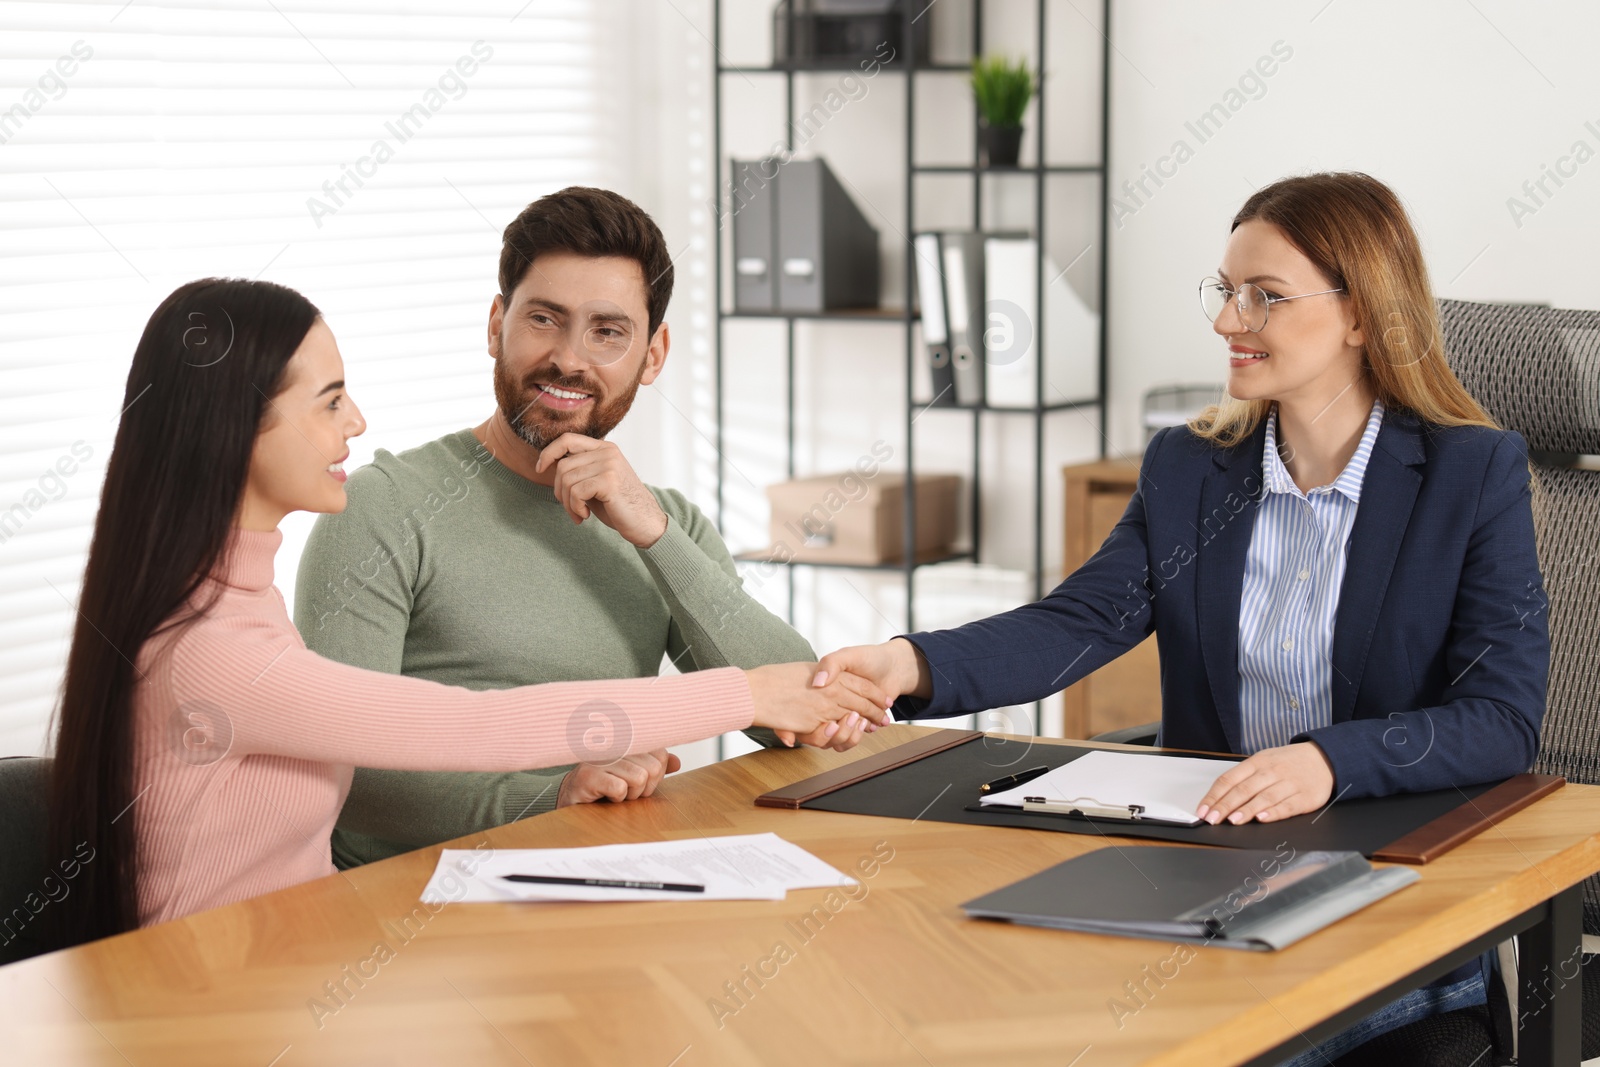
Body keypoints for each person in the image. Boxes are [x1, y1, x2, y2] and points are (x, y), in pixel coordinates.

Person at [815, 172, 1549, 1062]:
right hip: (1211, 879)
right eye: (1225, 290)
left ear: (1361, 315)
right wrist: (911, 664)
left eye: (1264, 296)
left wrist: (1327, 761)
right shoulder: (1191, 469)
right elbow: (1077, 620)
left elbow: (1500, 718)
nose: (1227, 320)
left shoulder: (1472, 474)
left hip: (1389, 881)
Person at [45, 278, 887, 946]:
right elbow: (480, 727)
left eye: (608, 330)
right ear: (236, 426)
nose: (359, 422)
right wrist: (749, 692)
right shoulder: (206, 647)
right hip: (211, 1013)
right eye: (330, 401)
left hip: (302, 965)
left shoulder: (233, 592)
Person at [293, 186, 868, 872]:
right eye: (544, 318)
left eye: (608, 331)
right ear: (495, 325)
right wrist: (550, 795)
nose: (570, 358)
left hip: (592, 880)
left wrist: (652, 533)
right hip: (402, 903)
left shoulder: (664, 522)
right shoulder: (382, 507)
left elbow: (791, 718)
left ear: (652, 355)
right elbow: (347, 772)